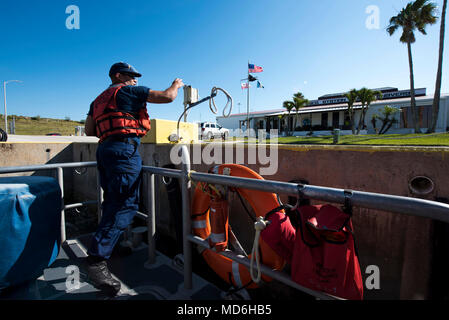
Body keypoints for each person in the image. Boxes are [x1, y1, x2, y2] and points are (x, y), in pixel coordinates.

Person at [84, 62, 184, 296]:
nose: (135, 80)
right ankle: (96, 260)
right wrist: (176, 84)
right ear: (118, 75)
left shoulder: (97, 99)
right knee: (125, 205)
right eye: (130, 76)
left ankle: (112, 246)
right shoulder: (128, 91)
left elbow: (90, 130)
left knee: (111, 202)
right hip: (124, 152)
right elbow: (168, 97)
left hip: (105, 151)